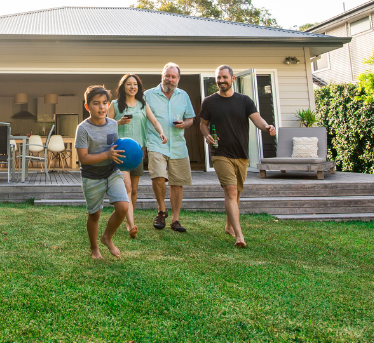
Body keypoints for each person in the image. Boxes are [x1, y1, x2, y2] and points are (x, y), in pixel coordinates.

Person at [199, 64, 276, 248]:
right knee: (231, 190)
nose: (221, 81)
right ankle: (239, 236)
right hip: (220, 153)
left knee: (237, 193)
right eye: (218, 78)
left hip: (241, 154)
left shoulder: (244, 101)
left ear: (233, 79)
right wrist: (206, 134)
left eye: (224, 77)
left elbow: (257, 119)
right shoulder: (209, 102)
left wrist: (267, 127)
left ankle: (228, 225)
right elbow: (202, 124)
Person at [107, 73, 167, 239]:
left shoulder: (142, 104)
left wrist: (161, 132)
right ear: (123, 87)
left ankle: (127, 220)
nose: (132, 87)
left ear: (138, 88)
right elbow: (105, 125)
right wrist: (118, 123)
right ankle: (131, 224)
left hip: (138, 152)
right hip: (121, 151)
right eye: (129, 84)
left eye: (135, 84)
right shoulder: (115, 104)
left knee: (134, 190)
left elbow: (154, 121)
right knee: (126, 187)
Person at [75, 85, 129, 259]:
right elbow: (83, 158)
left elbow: (116, 147)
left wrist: (126, 158)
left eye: (105, 103)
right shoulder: (82, 129)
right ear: (87, 106)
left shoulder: (113, 124)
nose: (102, 107)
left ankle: (107, 237)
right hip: (91, 176)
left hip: (111, 172)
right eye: (96, 103)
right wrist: (106, 154)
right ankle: (94, 247)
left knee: (123, 207)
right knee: (94, 214)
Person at [143, 62, 195, 233]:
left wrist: (184, 124)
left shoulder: (183, 96)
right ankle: (161, 210)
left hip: (178, 145)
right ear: (162, 77)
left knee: (177, 182)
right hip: (156, 142)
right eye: (167, 76)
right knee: (157, 176)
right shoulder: (148, 95)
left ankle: (175, 219)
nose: (170, 79)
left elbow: (190, 119)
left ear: (178, 79)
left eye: (173, 77)